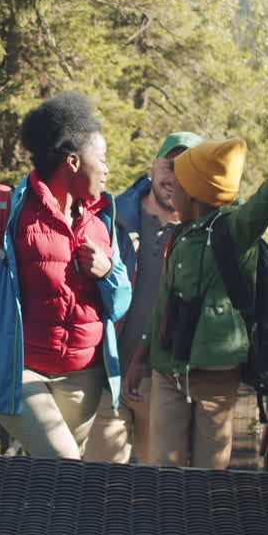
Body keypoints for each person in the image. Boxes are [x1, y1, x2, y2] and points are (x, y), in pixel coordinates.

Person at [0, 92, 131, 459]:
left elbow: (121, 301)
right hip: (20, 371)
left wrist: (109, 271)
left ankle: (40, 518)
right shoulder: (4, 209)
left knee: (58, 478)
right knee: (65, 465)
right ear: (72, 161)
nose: (107, 169)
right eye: (103, 159)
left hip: (84, 376)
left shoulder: (101, 222)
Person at [123, 116, 268, 469]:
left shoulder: (234, 230)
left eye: (181, 184)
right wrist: (141, 357)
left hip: (215, 376)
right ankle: (167, 522)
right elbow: (163, 305)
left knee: (210, 471)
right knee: (162, 466)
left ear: (198, 192)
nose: (173, 189)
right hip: (167, 370)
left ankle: (201, 522)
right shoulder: (181, 236)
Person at [81, 131, 202, 464]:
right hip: (108, 377)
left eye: (186, 169)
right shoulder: (111, 218)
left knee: (160, 494)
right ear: (154, 165)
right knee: (96, 486)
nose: (174, 177)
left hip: (167, 385)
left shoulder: (201, 237)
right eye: (169, 166)